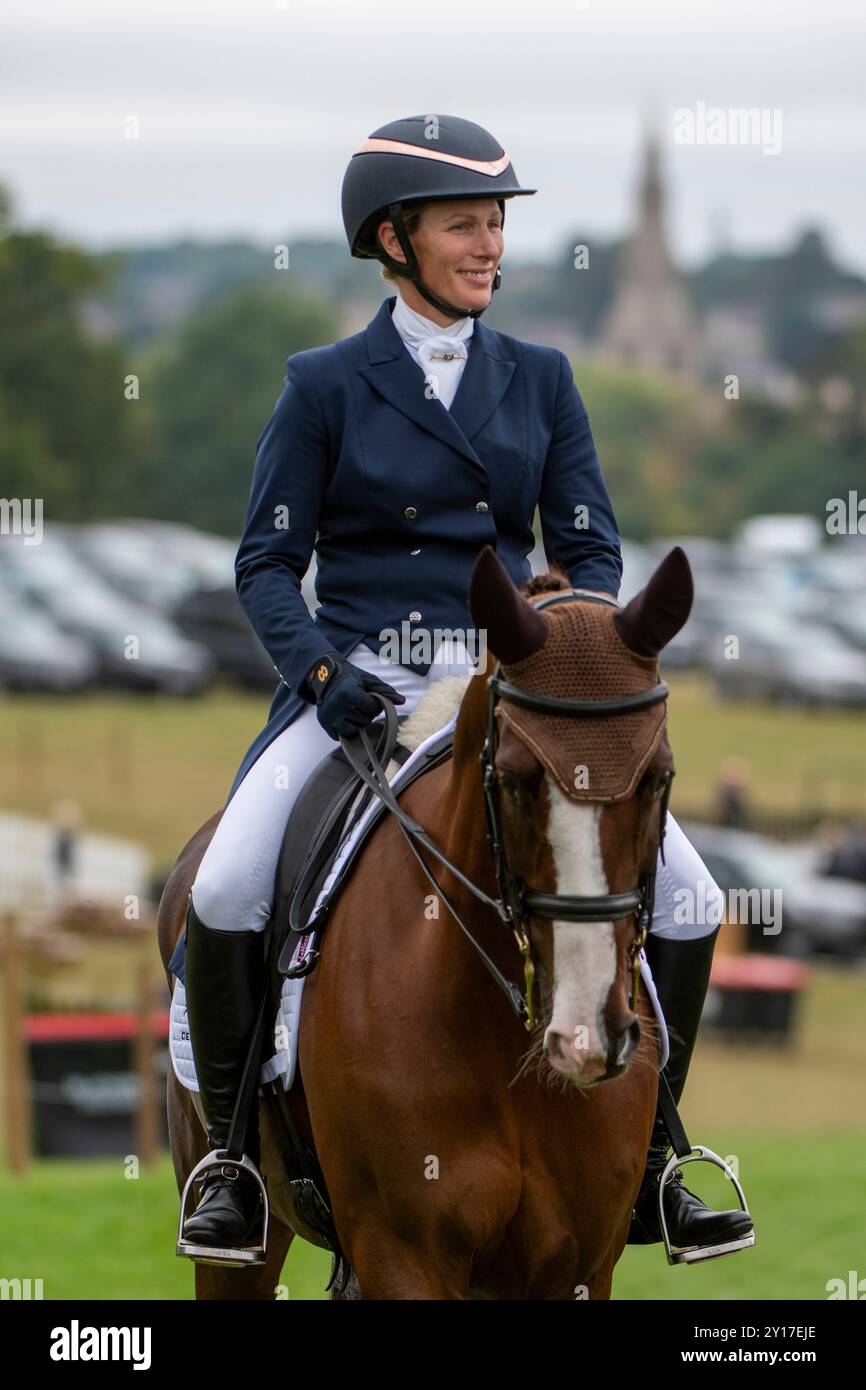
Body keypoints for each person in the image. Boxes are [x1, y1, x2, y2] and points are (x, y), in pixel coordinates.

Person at [176, 113, 753, 1263]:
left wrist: (562, 634)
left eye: (495, 224)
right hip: (360, 690)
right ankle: (234, 1157)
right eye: (462, 226)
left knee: (685, 898)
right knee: (230, 879)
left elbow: (591, 549)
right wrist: (323, 674)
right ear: (393, 240)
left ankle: (654, 1155)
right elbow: (265, 562)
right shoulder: (325, 385)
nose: (488, 245)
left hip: (507, 687)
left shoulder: (540, 380)